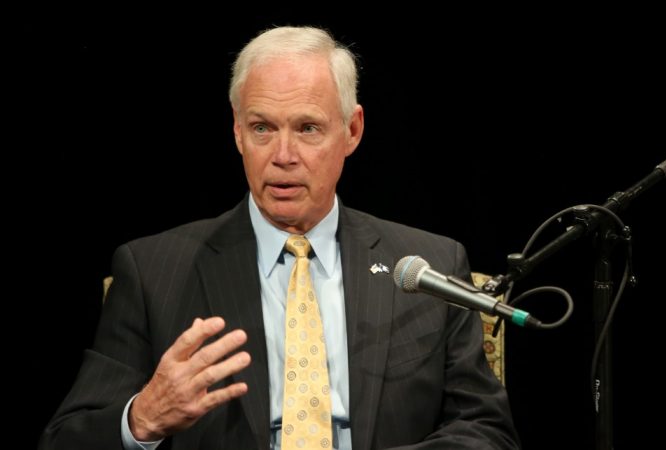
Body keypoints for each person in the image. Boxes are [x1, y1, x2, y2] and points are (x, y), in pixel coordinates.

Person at [39, 25, 520, 450]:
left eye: (308, 128)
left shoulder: (429, 265)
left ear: (352, 131)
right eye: (262, 128)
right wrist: (143, 418)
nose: (282, 154)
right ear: (237, 133)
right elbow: (65, 438)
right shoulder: (152, 271)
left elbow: (485, 430)